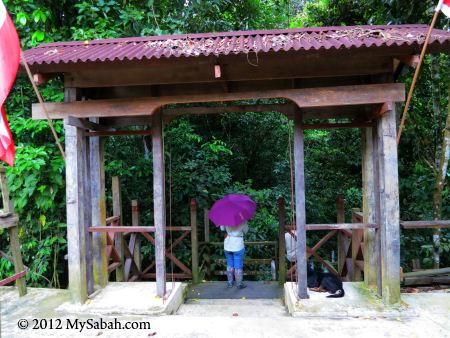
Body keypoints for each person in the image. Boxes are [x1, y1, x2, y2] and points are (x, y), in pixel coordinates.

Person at [220, 222, 249, 289]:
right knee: (238, 265)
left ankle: (230, 283)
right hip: (238, 244)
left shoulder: (225, 218)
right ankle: (239, 284)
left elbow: (222, 229)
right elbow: (246, 231)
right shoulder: (242, 219)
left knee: (229, 264)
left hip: (228, 244)